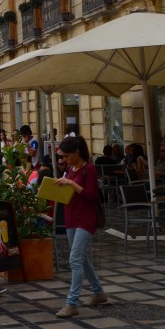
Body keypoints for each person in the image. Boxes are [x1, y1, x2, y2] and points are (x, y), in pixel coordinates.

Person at [54, 135, 107, 318]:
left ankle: (72, 303)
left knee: (75, 259)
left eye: (67, 156)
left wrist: (71, 183)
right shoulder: (70, 169)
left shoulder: (89, 170)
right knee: (81, 258)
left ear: (77, 152)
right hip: (71, 217)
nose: (64, 160)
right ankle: (98, 292)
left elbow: (92, 196)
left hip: (85, 219)